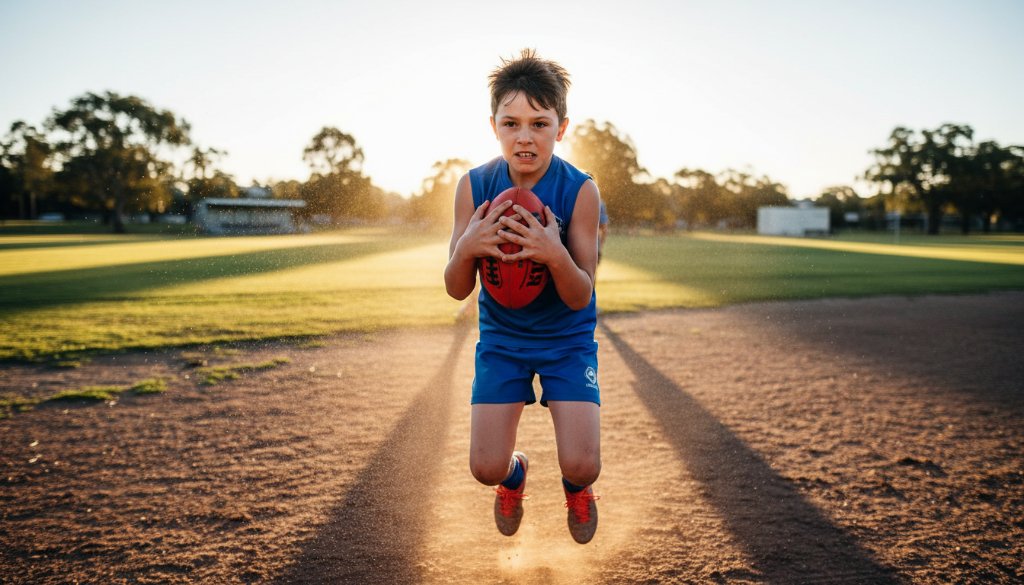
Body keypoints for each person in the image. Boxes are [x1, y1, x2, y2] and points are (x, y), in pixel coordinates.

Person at [444, 49, 602, 544]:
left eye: (539, 122)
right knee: (485, 467)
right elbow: (455, 288)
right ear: (493, 126)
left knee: (583, 463)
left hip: (566, 339)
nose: (525, 136)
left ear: (562, 127)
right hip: (503, 339)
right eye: (511, 122)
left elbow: (581, 296)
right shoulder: (474, 186)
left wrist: (553, 253)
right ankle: (515, 475)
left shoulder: (580, 190)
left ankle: (576, 488)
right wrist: (468, 246)